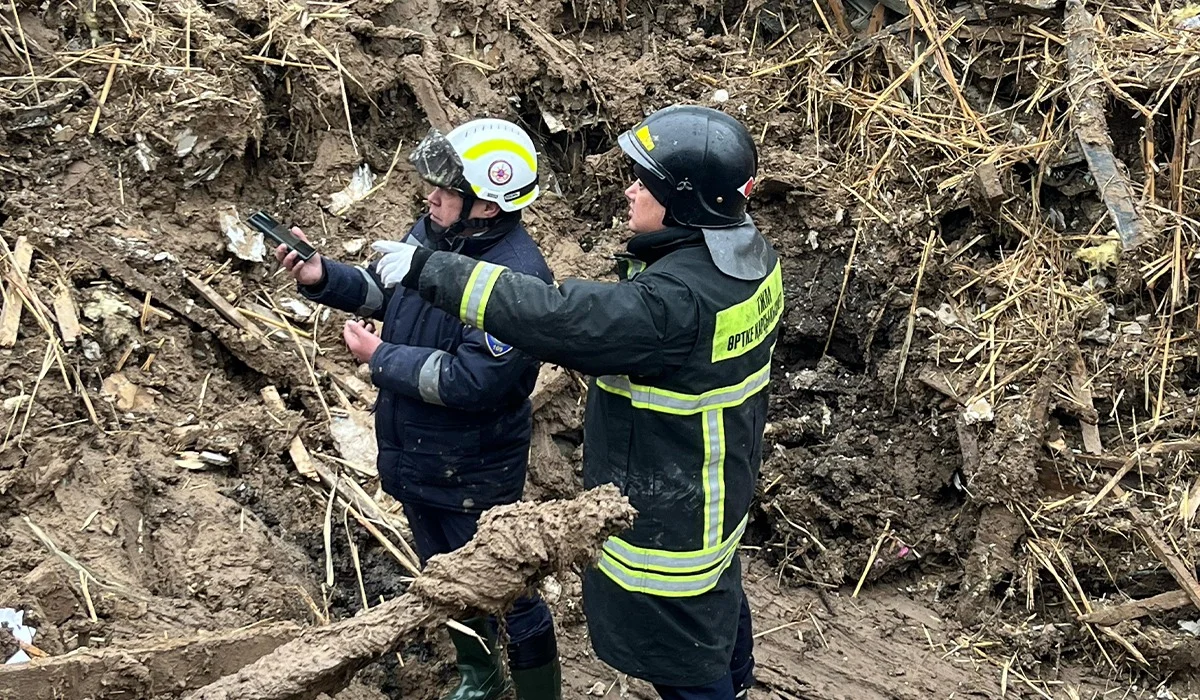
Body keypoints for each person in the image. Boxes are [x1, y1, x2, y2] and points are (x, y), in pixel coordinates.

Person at [368, 105, 779, 699]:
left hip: (670, 503)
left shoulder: (675, 302)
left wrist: (435, 271)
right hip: (716, 480)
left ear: (686, 202)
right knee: (715, 611)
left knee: (681, 659)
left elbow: (565, 320)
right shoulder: (747, 256)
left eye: (647, 181)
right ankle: (736, 685)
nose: (632, 188)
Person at [275, 118, 561, 700]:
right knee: (446, 580)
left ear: (487, 204)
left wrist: (382, 358)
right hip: (417, 455)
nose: (431, 197)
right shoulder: (433, 232)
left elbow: (479, 379)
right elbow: (388, 290)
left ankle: (539, 692)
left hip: (471, 472)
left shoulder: (516, 278)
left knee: (508, 589)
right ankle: (480, 678)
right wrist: (322, 275)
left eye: (447, 190)